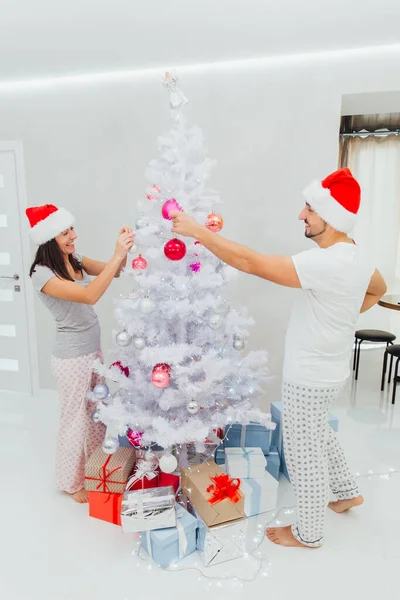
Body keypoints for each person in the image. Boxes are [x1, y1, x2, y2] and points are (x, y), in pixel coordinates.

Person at [170, 167, 387, 548]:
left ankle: (309, 533)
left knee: (304, 455)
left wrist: (199, 232)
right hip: (332, 370)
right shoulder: (356, 256)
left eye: (309, 209)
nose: (301, 215)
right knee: (318, 432)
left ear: (331, 216)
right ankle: (347, 491)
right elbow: (379, 287)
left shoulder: (326, 263)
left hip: (309, 375)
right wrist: (344, 314)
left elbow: (251, 263)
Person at [26, 204, 135, 503]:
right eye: (64, 232)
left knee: (97, 415)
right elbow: (90, 294)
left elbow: (115, 271)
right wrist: (116, 255)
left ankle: (93, 470)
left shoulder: (71, 258)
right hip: (71, 358)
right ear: (49, 238)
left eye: (71, 229)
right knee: (75, 419)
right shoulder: (42, 273)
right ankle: (70, 483)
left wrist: (122, 252)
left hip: (92, 350)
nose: (73, 235)